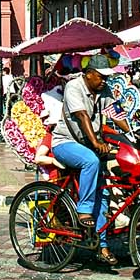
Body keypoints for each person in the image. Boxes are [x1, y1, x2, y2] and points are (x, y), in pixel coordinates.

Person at [46, 53, 117, 264]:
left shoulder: (103, 89)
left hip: (87, 144)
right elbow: (82, 116)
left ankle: (101, 245)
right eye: (101, 76)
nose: (104, 80)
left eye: (106, 77)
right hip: (65, 143)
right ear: (88, 74)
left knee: (103, 194)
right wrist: (96, 143)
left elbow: (116, 112)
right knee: (91, 161)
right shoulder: (74, 87)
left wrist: (133, 134)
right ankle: (83, 210)